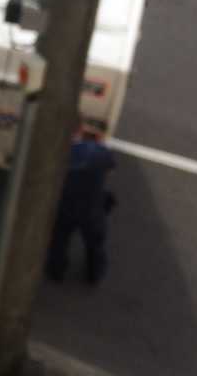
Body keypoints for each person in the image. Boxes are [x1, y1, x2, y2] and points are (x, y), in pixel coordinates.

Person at [46, 118, 117, 285]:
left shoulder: (65, 151)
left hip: (66, 206)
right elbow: (110, 169)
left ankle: (56, 272)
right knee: (94, 244)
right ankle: (94, 275)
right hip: (92, 209)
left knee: (59, 241)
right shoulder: (103, 153)